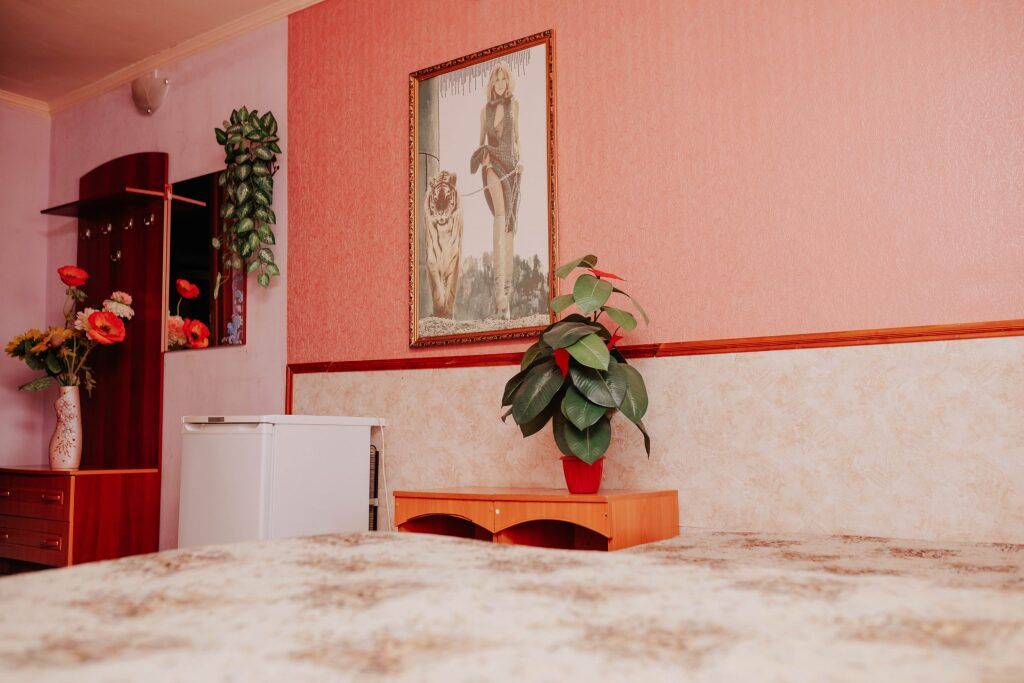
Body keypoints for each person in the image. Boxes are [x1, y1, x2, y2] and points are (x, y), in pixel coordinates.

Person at [470, 62, 522, 320]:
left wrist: (521, 161)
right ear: (492, 83)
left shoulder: (514, 106)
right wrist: (484, 160)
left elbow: (516, 140)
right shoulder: (484, 111)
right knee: (500, 219)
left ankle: (506, 298)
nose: (500, 83)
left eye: (503, 79)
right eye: (496, 79)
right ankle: (499, 294)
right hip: (492, 165)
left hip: (511, 167)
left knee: (510, 226)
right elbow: (481, 143)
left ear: (508, 82)